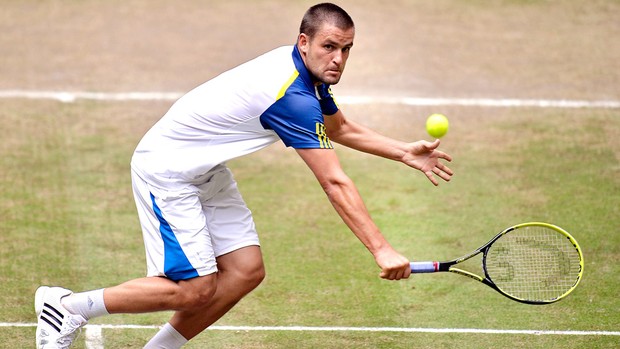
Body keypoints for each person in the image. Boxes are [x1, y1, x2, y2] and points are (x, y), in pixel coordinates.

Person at [34, 3, 453, 348]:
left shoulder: (304, 72)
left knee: (246, 270)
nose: (339, 59)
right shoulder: (290, 96)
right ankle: (69, 306)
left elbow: (339, 128)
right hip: (167, 170)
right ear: (304, 42)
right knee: (195, 288)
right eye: (330, 47)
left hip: (203, 167)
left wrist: (403, 152)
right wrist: (380, 249)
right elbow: (334, 181)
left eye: (347, 49)